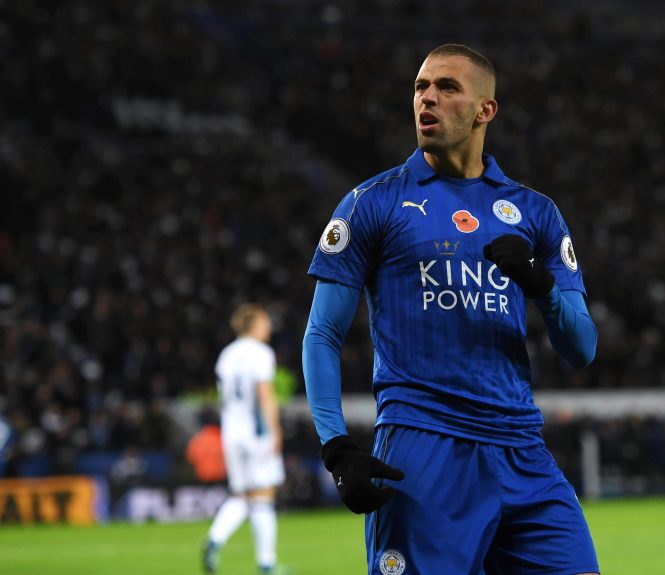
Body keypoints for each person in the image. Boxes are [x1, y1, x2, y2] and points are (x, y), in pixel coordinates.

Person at [302, 43, 600, 575]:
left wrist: (542, 287)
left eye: (446, 87)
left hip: (521, 449)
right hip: (423, 446)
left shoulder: (535, 212)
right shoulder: (373, 202)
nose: (428, 99)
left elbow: (582, 348)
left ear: (485, 110)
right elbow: (322, 333)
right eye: (420, 87)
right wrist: (336, 447)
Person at [203, 304, 289, 575]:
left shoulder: (226, 355)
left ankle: (215, 539)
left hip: (232, 433)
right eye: (265, 322)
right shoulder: (260, 353)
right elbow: (264, 392)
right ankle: (267, 564)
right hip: (256, 432)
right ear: (253, 325)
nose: (269, 327)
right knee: (263, 496)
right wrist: (275, 430)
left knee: (242, 494)